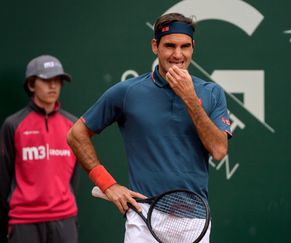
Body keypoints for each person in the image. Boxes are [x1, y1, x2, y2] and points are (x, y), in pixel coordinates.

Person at [67, 12, 232, 242]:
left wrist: (190, 99)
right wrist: (108, 184)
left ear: (193, 47)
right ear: (155, 46)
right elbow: (76, 135)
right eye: (169, 46)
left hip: (194, 221)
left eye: (185, 46)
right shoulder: (127, 92)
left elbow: (219, 150)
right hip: (142, 218)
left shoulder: (212, 93)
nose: (177, 54)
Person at [0, 55, 80, 243]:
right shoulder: (13, 125)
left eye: (57, 80)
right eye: (46, 80)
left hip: (64, 219)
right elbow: (4, 177)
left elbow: (74, 177)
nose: (53, 86)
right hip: (24, 221)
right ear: (31, 85)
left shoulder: (73, 126)